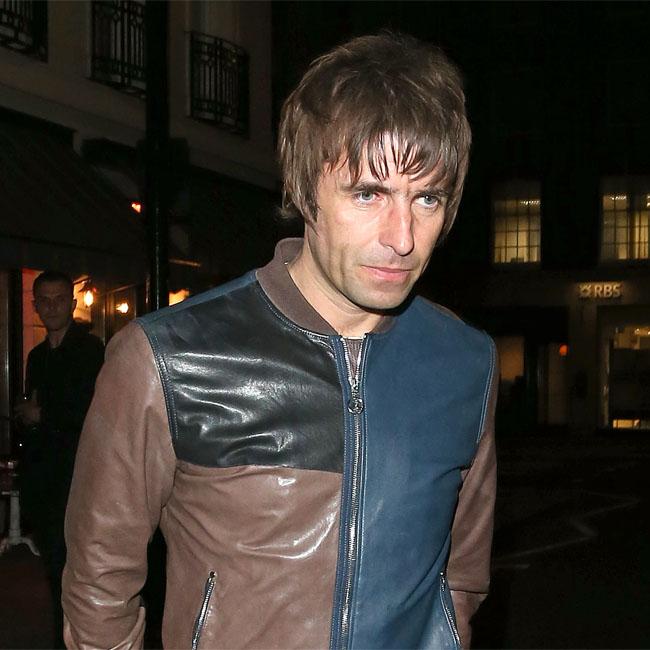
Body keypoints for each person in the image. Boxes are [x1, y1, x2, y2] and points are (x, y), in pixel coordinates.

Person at [63, 32, 497, 650]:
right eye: (367, 193)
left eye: (426, 197)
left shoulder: (465, 363)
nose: (402, 237)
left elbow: (464, 577)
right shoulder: (169, 358)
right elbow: (100, 590)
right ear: (303, 190)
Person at [15, 270, 104, 648]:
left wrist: (41, 414)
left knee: (81, 569)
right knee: (55, 567)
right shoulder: (36, 357)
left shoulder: (90, 350)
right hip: (45, 479)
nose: (51, 307)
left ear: (72, 303)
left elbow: (95, 411)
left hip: (79, 477)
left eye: (59, 300)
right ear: (35, 305)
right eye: (44, 300)